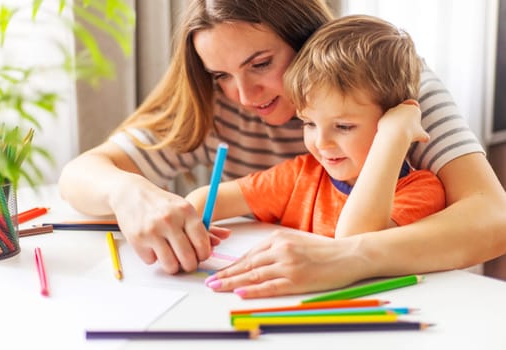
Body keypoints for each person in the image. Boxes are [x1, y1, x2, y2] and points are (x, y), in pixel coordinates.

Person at [58, 0, 506, 298]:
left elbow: (492, 216)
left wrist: (349, 256)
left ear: (307, 38)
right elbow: (80, 174)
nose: (245, 94)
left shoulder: (390, 88)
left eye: (261, 64)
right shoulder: (215, 101)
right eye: (221, 74)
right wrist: (128, 191)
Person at [185, 15, 445, 247]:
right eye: (308, 123)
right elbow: (207, 199)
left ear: (393, 119)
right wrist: (189, 227)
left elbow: (354, 241)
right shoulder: (301, 175)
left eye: (343, 126)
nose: (321, 142)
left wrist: (393, 136)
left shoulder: (421, 192)